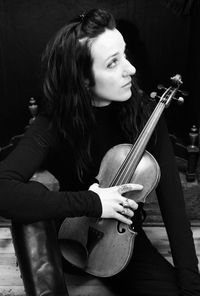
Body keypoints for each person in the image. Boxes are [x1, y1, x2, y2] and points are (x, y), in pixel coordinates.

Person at [0, 8, 199, 296]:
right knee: (27, 201)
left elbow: (175, 212)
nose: (130, 69)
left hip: (119, 243)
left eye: (125, 54)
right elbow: (3, 189)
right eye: (112, 63)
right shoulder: (54, 122)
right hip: (64, 238)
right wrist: (94, 202)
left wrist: (192, 287)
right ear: (81, 79)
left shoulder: (146, 114)